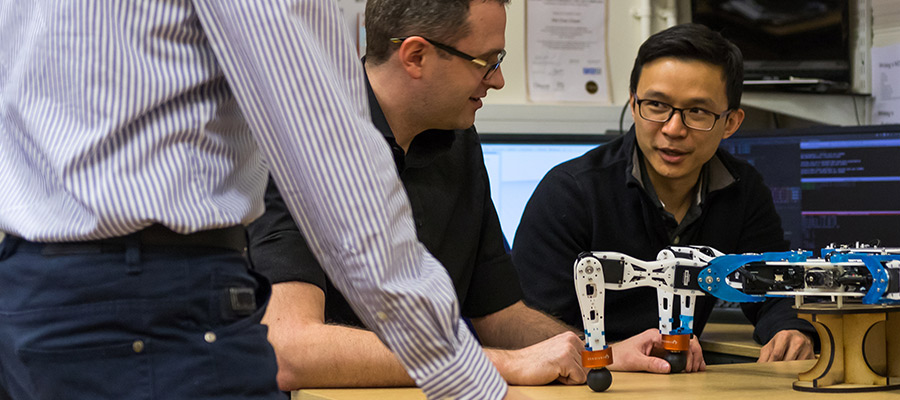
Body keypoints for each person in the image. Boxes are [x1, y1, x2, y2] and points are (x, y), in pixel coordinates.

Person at [0, 1, 522, 399]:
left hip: (32, 292)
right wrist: (469, 374)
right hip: (154, 306)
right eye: (487, 61)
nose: (495, 78)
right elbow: (332, 163)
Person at [246, 0, 591, 389]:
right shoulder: (303, 141)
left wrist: (595, 353)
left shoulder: (457, 142)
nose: (498, 81)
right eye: (486, 62)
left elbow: (498, 315)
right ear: (415, 56)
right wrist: (496, 364)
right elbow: (290, 349)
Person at [512, 23, 817, 372]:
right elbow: (524, 326)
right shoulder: (571, 192)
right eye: (656, 105)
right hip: (584, 384)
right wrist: (608, 353)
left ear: (730, 122)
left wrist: (790, 328)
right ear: (633, 104)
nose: (673, 129)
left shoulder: (742, 190)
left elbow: (770, 288)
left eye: (698, 112)